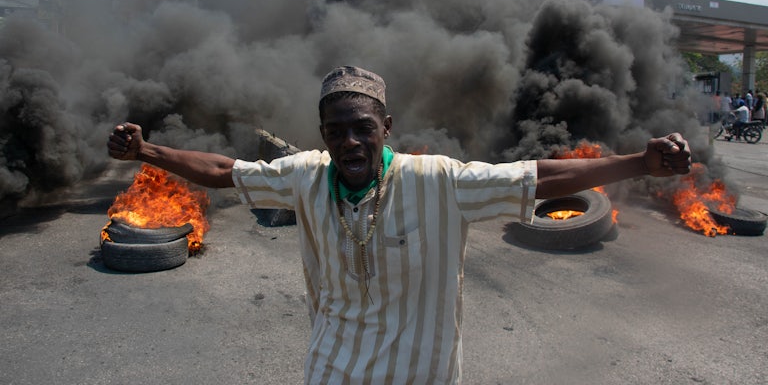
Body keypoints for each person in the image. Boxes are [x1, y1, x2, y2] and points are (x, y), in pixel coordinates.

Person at [107, 65, 692, 385]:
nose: (349, 141)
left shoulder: (438, 180)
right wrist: (147, 152)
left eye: (362, 127)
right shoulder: (305, 176)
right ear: (323, 135)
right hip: (332, 369)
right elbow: (223, 171)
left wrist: (640, 164)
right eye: (335, 131)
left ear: (386, 126)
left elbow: (533, 177)